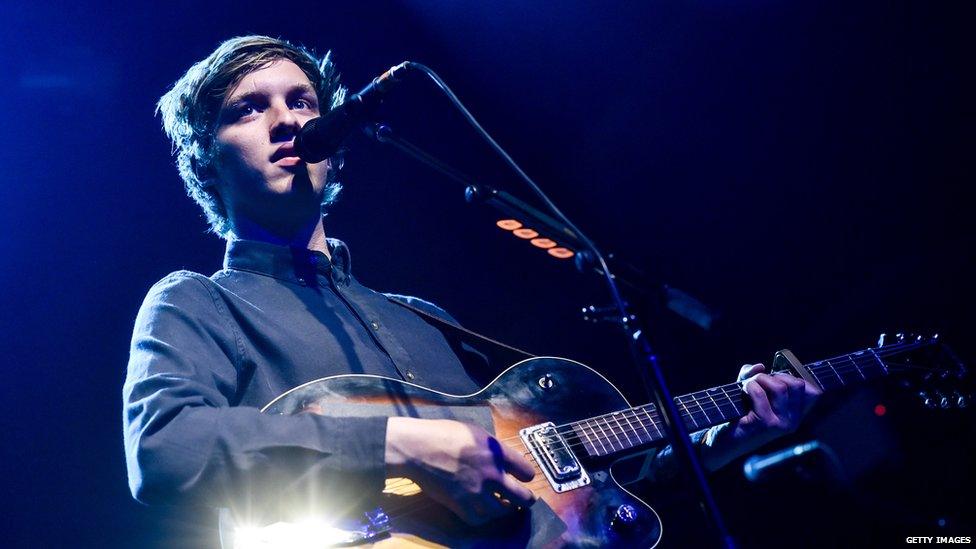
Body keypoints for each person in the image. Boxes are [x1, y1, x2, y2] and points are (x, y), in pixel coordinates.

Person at [123, 35, 820, 542]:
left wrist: (729, 437)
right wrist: (405, 444)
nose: (288, 120)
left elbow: (572, 493)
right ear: (205, 160)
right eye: (249, 109)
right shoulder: (196, 301)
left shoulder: (422, 318)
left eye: (302, 100)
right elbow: (164, 450)